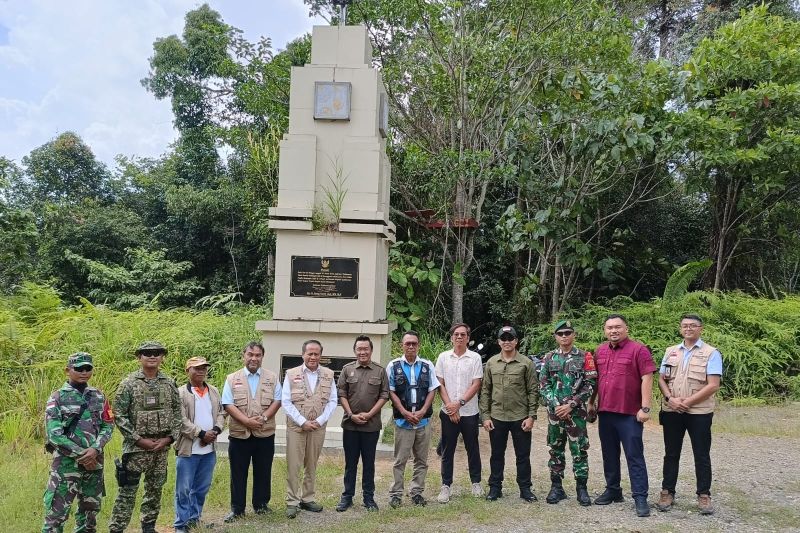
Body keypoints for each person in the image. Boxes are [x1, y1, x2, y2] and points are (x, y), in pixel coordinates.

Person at [109, 341, 182, 533]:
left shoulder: (168, 383)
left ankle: (148, 527)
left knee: (155, 490)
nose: (152, 356)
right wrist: (138, 440)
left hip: (161, 447)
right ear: (139, 357)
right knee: (127, 492)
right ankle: (116, 529)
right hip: (136, 448)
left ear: (162, 357)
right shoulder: (129, 384)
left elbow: (177, 412)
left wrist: (169, 439)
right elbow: (119, 414)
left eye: (157, 353)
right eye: (147, 353)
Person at [589, 314, 656, 517]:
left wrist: (645, 408)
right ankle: (613, 490)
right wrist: (591, 403)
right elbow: (595, 380)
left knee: (634, 455)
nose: (613, 331)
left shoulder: (638, 350)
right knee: (609, 454)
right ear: (605, 330)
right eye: (609, 327)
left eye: (618, 327)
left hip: (629, 414)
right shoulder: (599, 351)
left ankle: (640, 497)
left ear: (626, 328)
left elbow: (647, 377)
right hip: (606, 411)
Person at [656, 314, 722, 515]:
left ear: (700, 328)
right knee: (671, 453)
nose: (688, 328)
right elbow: (662, 379)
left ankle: (704, 495)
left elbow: (713, 385)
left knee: (701, 454)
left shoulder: (711, 353)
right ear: (680, 328)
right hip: (672, 410)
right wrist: (670, 399)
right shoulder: (671, 351)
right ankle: (667, 492)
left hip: (699, 412)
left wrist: (687, 403)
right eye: (685, 325)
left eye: (693, 325)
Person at [42, 352, 114, 533]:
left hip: (94, 464)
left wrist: (95, 450)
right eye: (79, 368)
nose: (84, 372)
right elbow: (54, 435)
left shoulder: (99, 395)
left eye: (88, 368)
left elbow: (108, 424)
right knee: (56, 516)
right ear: (68, 370)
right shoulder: (57, 398)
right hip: (66, 467)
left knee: (89, 514)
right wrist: (83, 455)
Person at [221, 341, 282, 522]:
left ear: (262, 357)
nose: (254, 358)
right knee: (238, 473)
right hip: (240, 435)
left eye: (258, 355)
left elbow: (277, 401)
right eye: (250, 354)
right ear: (244, 356)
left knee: (263, 471)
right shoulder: (232, 378)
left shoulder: (272, 377)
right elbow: (228, 403)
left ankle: (261, 505)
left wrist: (262, 419)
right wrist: (247, 421)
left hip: (265, 434)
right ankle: (237, 509)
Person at [539, 320, 597, 506]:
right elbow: (543, 385)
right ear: (555, 336)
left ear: (574, 334)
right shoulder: (548, 358)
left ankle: (582, 489)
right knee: (555, 450)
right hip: (555, 415)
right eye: (560, 333)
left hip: (576, 415)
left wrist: (571, 405)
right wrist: (557, 405)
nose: (564, 336)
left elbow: (590, 384)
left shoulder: (584, 356)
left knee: (579, 450)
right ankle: (557, 487)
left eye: (567, 332)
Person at [480, 326, 539, 503]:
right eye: (503, 338)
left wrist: (531, 416)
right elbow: (485, 391)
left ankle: (525, 488)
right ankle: (495, 488)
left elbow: (533, 391)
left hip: (520, 417)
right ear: (498, 342)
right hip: (497, 416)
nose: (507, 341)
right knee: (497, 455)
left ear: (516, 341)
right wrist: (485, 416)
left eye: (510, 338)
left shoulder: (526, 363)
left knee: (523, 455)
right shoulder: (491, 363)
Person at [282, 339, 338, 518]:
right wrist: (301, 421)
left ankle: (307, 498)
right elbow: (286, 401)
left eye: (316, 354)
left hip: (317, 427)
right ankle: (292, 501)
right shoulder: (291, 374)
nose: (313, 357)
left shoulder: (329, 374)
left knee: (311, 464)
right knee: (294, 464)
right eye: (310, 353)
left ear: (321, 355)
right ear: (303, 354)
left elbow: (332, 401)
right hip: (297, 427)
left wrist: (320, 421)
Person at [335, 335, 389, 512]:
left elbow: (384, 395)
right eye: (359, 349)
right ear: (355, 351)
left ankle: (369, 498)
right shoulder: (347, 369)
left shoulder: (380, 371)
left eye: (366, 349)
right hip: (350, 426)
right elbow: (341, 393)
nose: (363, 352)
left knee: (369, 463)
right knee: (350, 463)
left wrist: (370, 414)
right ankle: (347, 497)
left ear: (371, 350)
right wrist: (351, 414)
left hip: (371, 426)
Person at [387, 330, 440, 508]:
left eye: (414, 343)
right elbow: (391, 391)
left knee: (422, 460)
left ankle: (417, 492)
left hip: (423, 422)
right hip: (403, 422)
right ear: (402, 345)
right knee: (400, 460)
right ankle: (396, 494)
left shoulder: (427, 365)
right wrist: (404, 412)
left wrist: (423, 410)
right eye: (407, 343)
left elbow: (433, 389)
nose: (411, 346)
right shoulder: (393, 366)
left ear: (418, 345)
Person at [174, 356, 226, 532]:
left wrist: (215, 431)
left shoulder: (214, 390)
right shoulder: (180, 393)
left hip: (208, 451)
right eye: (196, 368)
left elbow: (221, 413)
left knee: (201, 488)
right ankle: (181, 525)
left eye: (204, 368)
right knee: (183, 490)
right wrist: (201, 434)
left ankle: (194, 519)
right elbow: (179, 419)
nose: (201, 371)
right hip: (188, 450)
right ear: (187, 370)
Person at [435, 323, 484, 503]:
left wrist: (460, 404)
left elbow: (476, 384)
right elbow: (439, 383)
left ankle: (476, 482)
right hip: (448, 412)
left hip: (469, 412)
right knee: (448, 450)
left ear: (468, 338)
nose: (459, 337)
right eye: (456, 334)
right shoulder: (443, 357)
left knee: (473, 448)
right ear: (451, 337)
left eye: (463, 334)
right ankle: (446, 485)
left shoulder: (475, 358)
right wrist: (450, 406)